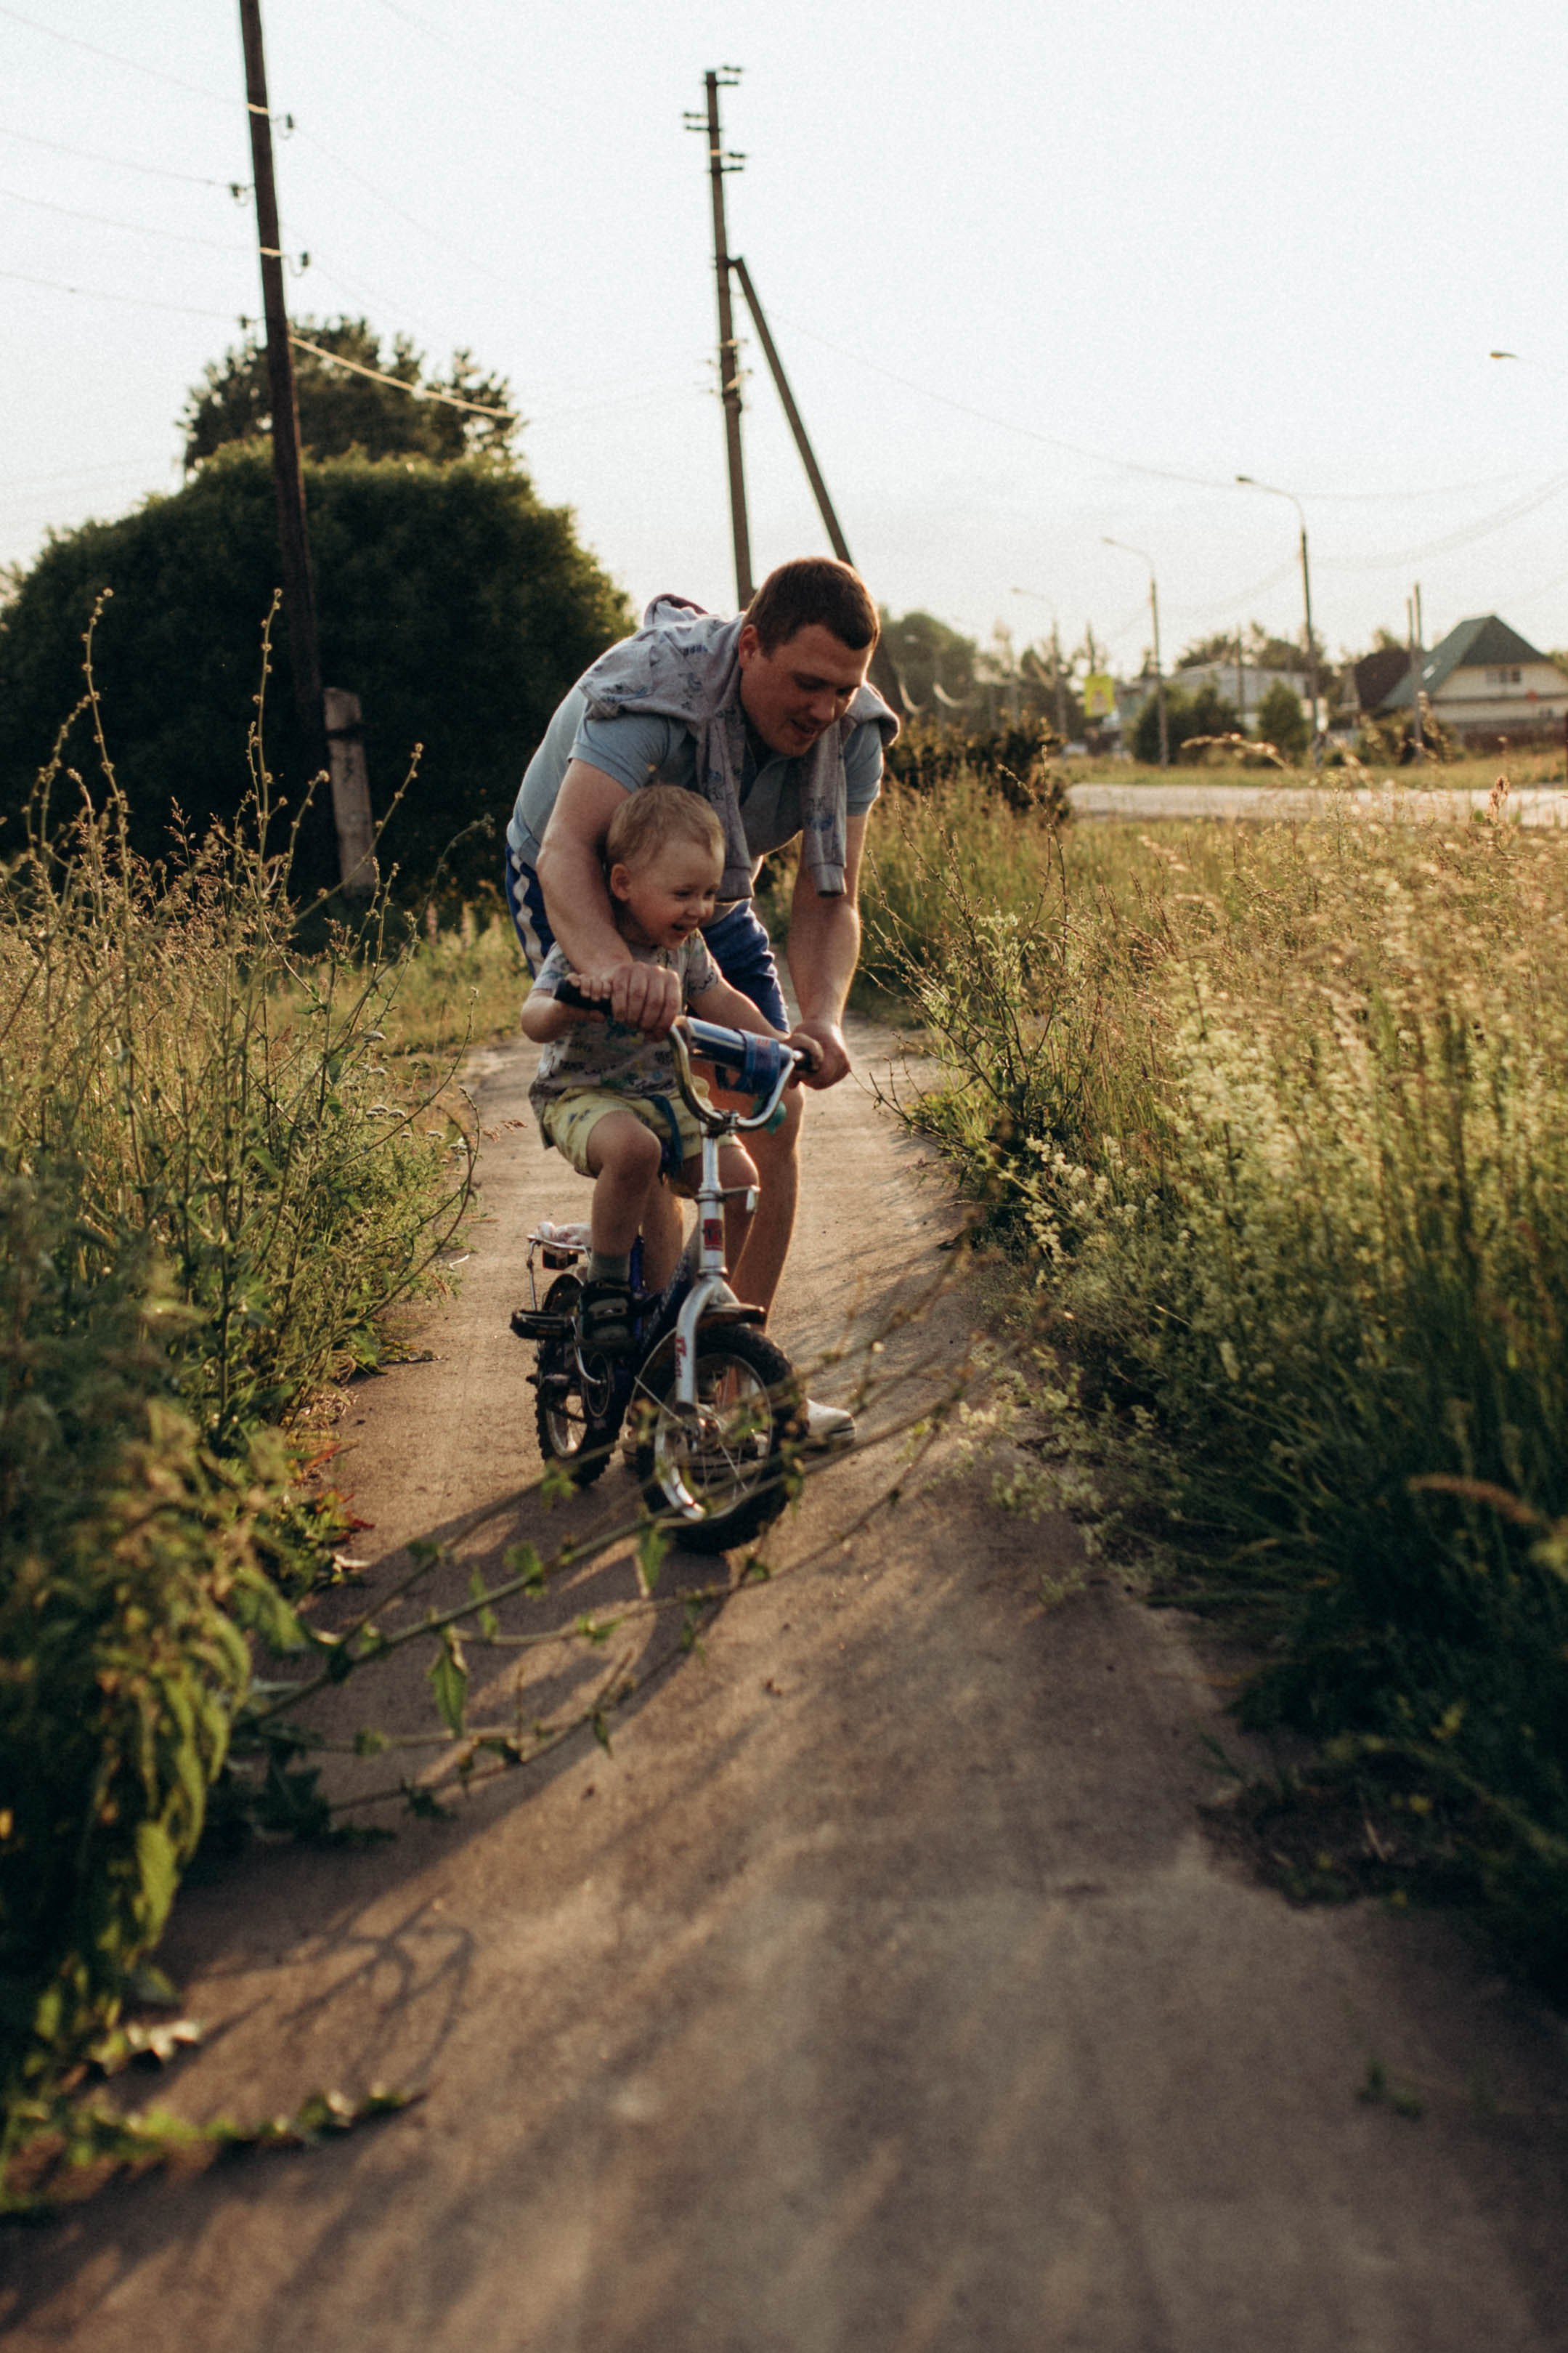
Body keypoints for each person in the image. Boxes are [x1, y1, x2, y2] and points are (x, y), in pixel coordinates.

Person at [506, 556, 898, 1447]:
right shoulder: (657, 691)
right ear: (749, 646)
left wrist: (820, 1020)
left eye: (842, 688)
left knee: (773, 1105)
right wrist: (614, 971)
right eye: (806, 683)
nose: (824, 708)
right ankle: (640, 1346)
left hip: (704, 890)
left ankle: (720, 1378)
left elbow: (829, 896)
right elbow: (566, 850)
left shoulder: (852, 732)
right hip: (579, 868)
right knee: (646, 1100)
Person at [519, 787, 779, 1354]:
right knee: (635, 1152)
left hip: (666, 1095)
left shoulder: (686, 950)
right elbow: (532, 1017)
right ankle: (606, 1289)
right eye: (683, 893)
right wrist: (567, 1006)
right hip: (586, 1096)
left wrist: (781, 1045)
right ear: (623, 884)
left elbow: (721, 999)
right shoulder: (587, 948)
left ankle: (701, 1300)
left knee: (740, 1182)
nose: (699, 909)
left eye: (708, 893)